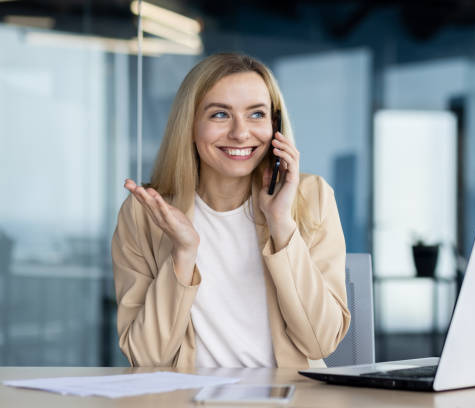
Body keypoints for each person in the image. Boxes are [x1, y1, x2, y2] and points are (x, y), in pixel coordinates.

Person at [111, 53, 350, 369]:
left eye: (256, 115)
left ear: (274, 125)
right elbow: (146, 357)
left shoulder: (311, 197)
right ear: (190, 124)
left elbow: (321, 341)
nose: (240, 133)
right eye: (220, 115)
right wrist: (183, 253)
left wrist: (281, 224)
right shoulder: (144, 214)